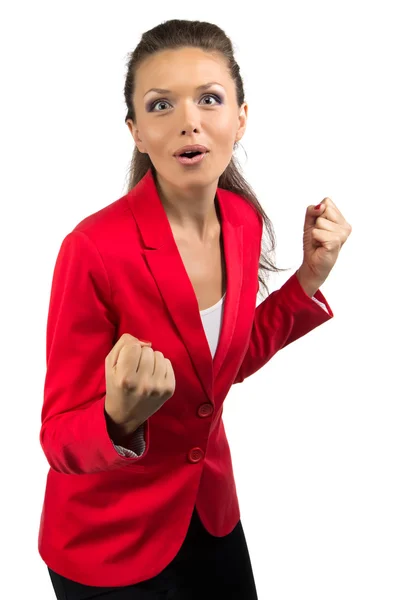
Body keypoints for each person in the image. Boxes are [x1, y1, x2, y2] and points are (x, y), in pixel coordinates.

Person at [38, 18, 351, 600]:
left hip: (209, 515)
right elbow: (56, 437)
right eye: (161, 105)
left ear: (240, 117)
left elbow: (222, 365)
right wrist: (117, 420)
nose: (190, 120)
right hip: (108, 539)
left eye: (210, 99)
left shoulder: (242, 221)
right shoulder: (93, 250)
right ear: (135, 131)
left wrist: (309, 278)